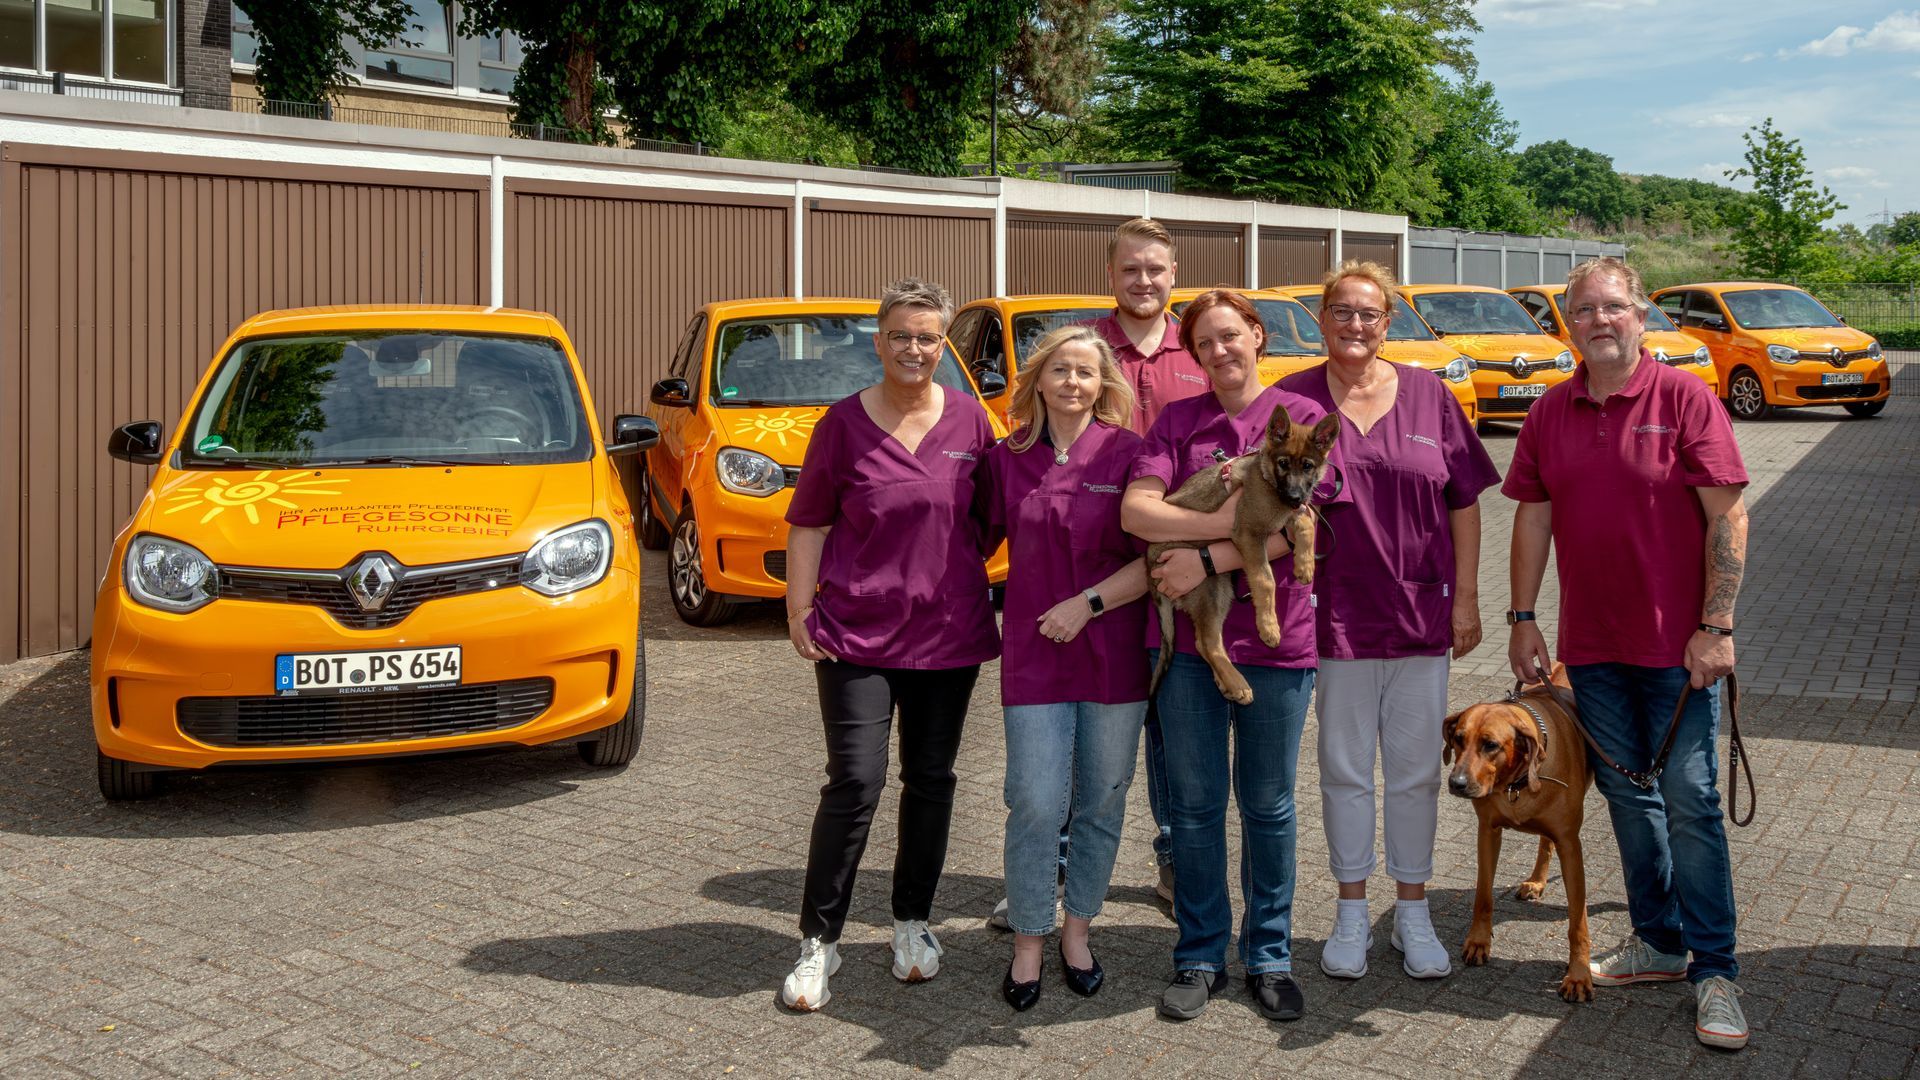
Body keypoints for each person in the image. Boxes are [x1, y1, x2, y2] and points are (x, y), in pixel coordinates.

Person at [1504, 258, 1752, 1051]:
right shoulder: (1550, 411)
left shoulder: (1686, 399)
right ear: (1566, 323)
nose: (1599, 321)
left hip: (1678, 653)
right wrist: (1521, 617)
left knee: (1688, 799)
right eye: (1584, 310)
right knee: (1628, 799)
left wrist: (1716, 624)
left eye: (1614, 308)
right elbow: (1533, 520)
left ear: (1641, 316)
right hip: (1591, 651)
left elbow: (1729, 516)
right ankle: (1659, 940)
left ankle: (1716, 971)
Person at [1121, 288, 1345, 1023]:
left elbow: (1310, 514)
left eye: (1232, 336)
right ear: (1193, 353)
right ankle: (1198, 953)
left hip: (1280, 652)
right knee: (1192, 808)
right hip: (1191, 648)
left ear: (1257, 335)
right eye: (1205, 342)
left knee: (1271, 807)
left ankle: (1270, 955)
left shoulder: (1303, 419)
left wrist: (1210, 554)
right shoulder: (1178, 422)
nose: (1221, 351)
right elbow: (1138, 510)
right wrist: (1223, 529)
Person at [778, 278, 1000, 1012]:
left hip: (947, 636)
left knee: (931, 779)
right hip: (856, 635)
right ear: (877, 342)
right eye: (901, 335)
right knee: (856, 782)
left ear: (944, 346)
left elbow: (990, 521)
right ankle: (821, 941)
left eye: (928, 337)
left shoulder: (972, 424)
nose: (914, 348)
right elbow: (808, 524)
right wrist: (798, 608)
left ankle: (911, 924)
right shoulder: (840, 425)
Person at [1277, 261, 1500, 981]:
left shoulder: (1430, 395)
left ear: (1389, 322)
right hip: (1332, 619)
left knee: (1414, 776)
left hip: (1419, 615)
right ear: (1322, 319)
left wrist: (1466, 599)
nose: (1355, 325)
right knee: (1344, 773)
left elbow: (1464, 502)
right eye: (1341, 311)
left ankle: (1411, 913)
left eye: (1370, 314)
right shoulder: (1293, 401)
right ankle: (1349, 913)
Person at [983, 325, 1152, 1011]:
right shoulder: (1006, 458)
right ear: (1039, 381)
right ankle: (1030, 938)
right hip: (1034, 658)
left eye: (1087, 371)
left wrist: (1088, 604)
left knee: (1104, 798)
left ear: (1103, 383)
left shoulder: (1133, 453)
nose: (1074, 383)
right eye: (1061, 371)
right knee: (1035, 802)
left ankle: (1077, 930)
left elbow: (1157, 559)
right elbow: (959, 541)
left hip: (1113, 655)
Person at [1092, 216, 1208, 905]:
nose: (1143, 280)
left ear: (1173, 275)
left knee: (1173, 725)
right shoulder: (1081, 348)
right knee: (1094, 723)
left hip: (1182, 568)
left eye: (1155, 269)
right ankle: (1064, 863)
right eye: (1130, 269)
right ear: (1110, 276)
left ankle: (1173, 859)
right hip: (1098, 563)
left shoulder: (1198, 351)